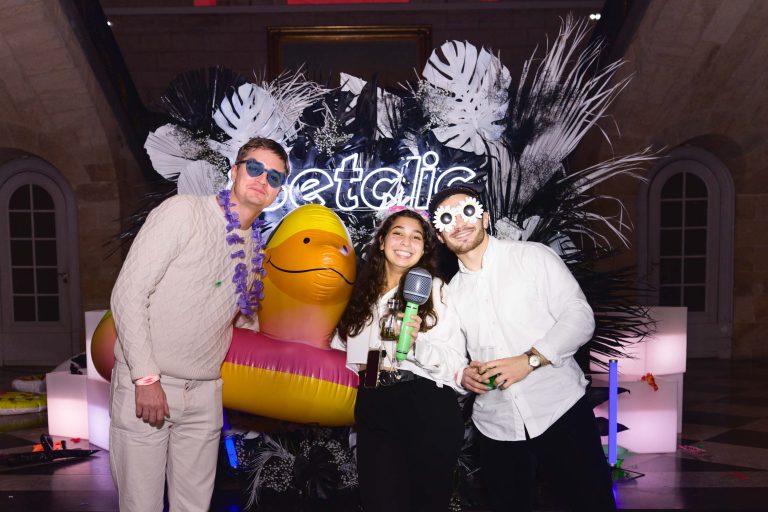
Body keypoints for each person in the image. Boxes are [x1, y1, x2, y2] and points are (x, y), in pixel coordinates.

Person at [109, 137, 288, 512]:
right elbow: (127, 295)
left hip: (206, 393)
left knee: (194, 507)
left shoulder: (255, 247)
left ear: (278, 192)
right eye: (254, 168)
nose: (262, 179)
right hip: (151, 384)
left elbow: (242, 315)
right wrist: (146, 378)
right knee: (140, 505)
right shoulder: (183, 212)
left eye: (274, 177)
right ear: (235, 171)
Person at [429, 185, 616, 512]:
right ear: (441, 235)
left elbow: (579, 317)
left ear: (484, 217)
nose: (459, 222)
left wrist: (530, 359)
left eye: (467, 211)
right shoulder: (450, 294)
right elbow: (452, 356)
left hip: (560, 411)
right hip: (496, 426)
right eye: (447, 218)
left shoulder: (533, 257)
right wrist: (464, 376)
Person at [332, 207, 466, 512]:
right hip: (373, 403)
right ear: (381, 241)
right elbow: (341, 353)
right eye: (398, 233)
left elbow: (455, 362)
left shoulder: (435, 290)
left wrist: (417, 344)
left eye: (416, 237)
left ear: (424, 248)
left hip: (425, 402)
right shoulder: (357, 295)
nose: (406, 242)